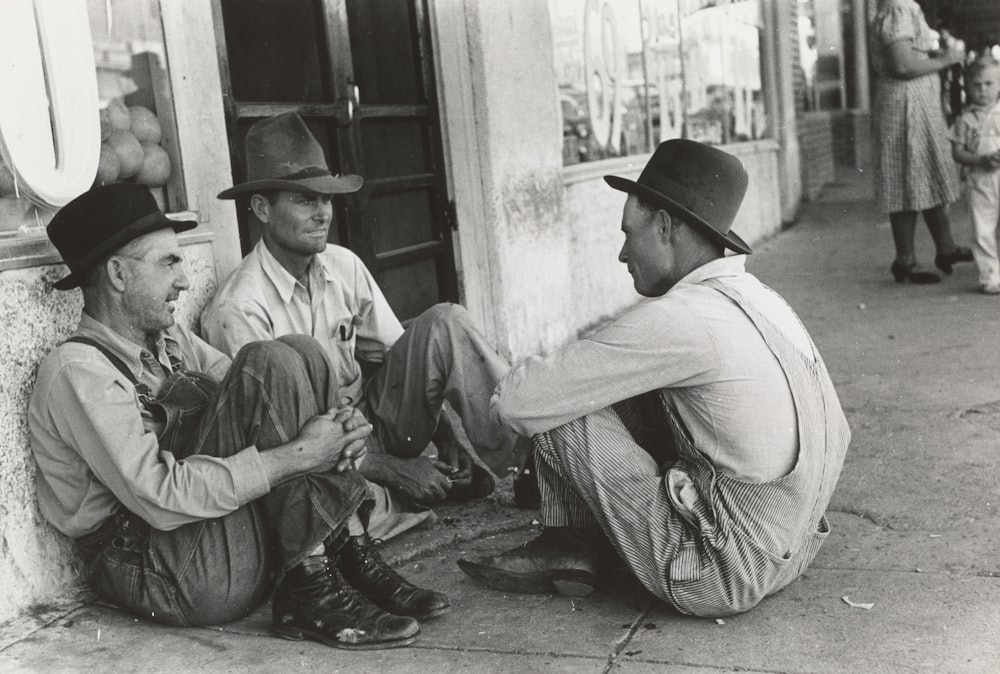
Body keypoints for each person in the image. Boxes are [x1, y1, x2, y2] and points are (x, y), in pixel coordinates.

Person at [28, 183, 451, 650]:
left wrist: (339, 425)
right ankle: (311, 588)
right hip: (168, 571)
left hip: (213, 542)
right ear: (117, 273)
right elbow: (159, 497)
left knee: (300, 353)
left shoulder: (169, 343)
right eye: (168, 262)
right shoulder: (78, 372)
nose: (185, 281)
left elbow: (272, 392)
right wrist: (302, 455)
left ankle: (347, 553)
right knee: (268, 361)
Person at [457, 140, 851, 617]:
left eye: (629, 233)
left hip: (718, 574)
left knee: (561, 404)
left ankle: (569, 543)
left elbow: (520, 403)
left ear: (665, 226)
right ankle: (577, 542)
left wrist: (530, 383)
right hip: (792, 549)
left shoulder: (684, 317)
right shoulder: (758, 297)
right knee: (611, 384)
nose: (623, 253)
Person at [201, 113, 533, 535]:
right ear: (262, 209)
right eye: (305, 200)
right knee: (344, 521)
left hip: (371, 420)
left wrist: (446, 438)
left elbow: (401, 354)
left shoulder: (343, 264)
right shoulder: (238, 309)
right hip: (313, 454)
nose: (323, 213)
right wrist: (389, 468)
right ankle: (408, 490)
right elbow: (277, 442)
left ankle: (532, 468)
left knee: (446, 321)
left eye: (326, 198)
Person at [870, 0, 973, 284]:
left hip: (917, 102)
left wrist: (934, 54)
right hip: (907, 103)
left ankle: (946, 248)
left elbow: (909, 53)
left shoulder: (904, 7)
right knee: (908, 177)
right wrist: (946, 59)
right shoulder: (899, 7)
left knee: (928, 174)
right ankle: (906, 260)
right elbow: (901, 64)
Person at [949, 57, 1000, 294]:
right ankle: (990, 276)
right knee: (983, 229)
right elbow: (958, 153)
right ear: (968, 88)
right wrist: (980, 160)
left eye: (989, 84)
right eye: (977, 85)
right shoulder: (965, 119)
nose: (982, 90)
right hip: (980, 181)